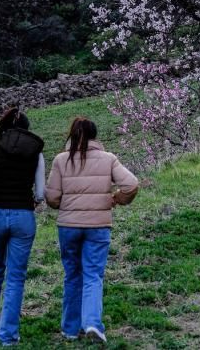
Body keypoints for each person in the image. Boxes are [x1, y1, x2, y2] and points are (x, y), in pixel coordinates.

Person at [46, 117, 139, 343]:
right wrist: (115, 199)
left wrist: (66, 205)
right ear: (95, 136)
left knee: (72, 275)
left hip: (68, 226)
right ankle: (92, 324)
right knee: (93, 275)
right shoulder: (108, 159)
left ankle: (69, 329)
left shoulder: (61, 160)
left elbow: (51, 197)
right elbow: (132, 184)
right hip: (98, 226)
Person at [0, 106, 45, 346]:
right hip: (23, 216)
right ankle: (9, 335)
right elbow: (41, 192)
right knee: (16, 277)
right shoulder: (36, 152)